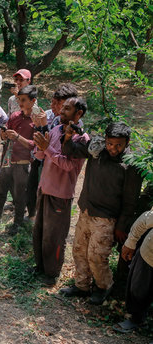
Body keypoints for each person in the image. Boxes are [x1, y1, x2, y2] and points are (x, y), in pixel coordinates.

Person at [59, 122, 141, 304]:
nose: (113, 148)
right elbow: (71, 150)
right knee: (79, 250)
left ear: (127, 143)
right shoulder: (97, 151)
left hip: (107, 218)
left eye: (119, 145)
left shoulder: (131, 166)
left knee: (97, 256)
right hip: (87, 210)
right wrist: (67, 136)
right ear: (105, 140)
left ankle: (103, 287)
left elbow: (130, 201)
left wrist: (121, 226)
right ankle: (81, 286)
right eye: (110, 143)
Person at [32, 97, 89, 286]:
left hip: (60, 195)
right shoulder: (56, 129)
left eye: (66, 109)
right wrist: (39, 148)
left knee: (54, 236)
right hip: (45, 189)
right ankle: (39, 267)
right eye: (61, 108)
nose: (61, 112)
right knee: (39, 231)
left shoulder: (81, 139)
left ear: (78, 114)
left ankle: (52, 273)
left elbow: (67, 166)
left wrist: (46, 149)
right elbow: (42, 155)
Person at [26, 83, 80, 218]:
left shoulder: (77, 131)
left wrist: (43, 126)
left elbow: (51, 148)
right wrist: (39, 127)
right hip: (45, 170)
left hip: (59, 184)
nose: (54, 107)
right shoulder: (56, 121)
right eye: (53, 102)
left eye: (59, 105)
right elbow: (43, 145)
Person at [0, 85, 37, 233]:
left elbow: (34, 145)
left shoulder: (37, 120)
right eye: (19, 99)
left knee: (20, 195)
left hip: (22, 164)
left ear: (33, 101)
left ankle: (17, 223)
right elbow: (4, 135)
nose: (20, 103)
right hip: (8, 160)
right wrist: (4, 135)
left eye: (23, 100)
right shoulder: (15, 116)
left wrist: (18, 137)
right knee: (1, 189)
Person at [113, 208, 153, 344]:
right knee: (137, 288)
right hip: (149, 252)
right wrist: (130, 242)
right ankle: (136, 318)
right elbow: (144, 220)